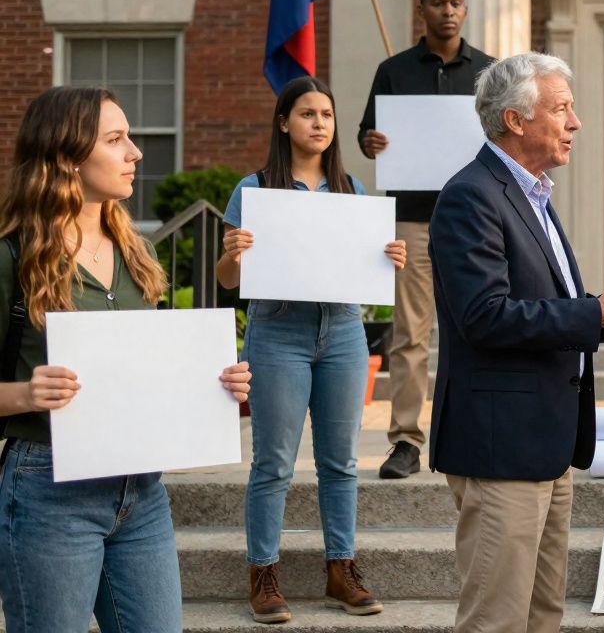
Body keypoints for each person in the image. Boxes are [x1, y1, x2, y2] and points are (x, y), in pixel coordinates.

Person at [430, 52, 604, 633]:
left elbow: (540, 303)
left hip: (546, 442)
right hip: (501, 448)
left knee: (542, 616)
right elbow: (485, 317)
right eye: (563, 109)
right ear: (516, 120)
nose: (576, 123)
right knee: (496, 620)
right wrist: (597, 312)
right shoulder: (472, 195)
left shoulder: (531, 192)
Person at [0, 86, 252, 632]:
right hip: (48, 490)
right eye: (116, 140)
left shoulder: (140, 252)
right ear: (66, 156)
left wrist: (214, 384)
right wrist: (23, 394)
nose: (136, 152)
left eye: (129, 137)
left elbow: (146, 374)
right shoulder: (11, 257)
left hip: (141, 493)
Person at [219, 76, 407, 624]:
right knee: (273, 461)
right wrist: (234, 252)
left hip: (343, 332)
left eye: (326, 114)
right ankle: (263, 573)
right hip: (277, 332)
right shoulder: (253, 189)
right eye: (307, 113)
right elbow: (228, 279)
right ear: (284, 122)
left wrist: (388, 256)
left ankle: (340, 569)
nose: (319, 123)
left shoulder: (353, 193)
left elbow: (366, 269)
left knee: (340, 461)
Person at [358, 0, 495, 480]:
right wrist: (372, 142)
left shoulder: (488, 71)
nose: (448, 10)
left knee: (484, 324)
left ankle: (480, 432)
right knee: (410, 333)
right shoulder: (394, 70)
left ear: (464, 7)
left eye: (456, 2)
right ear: (423, 8)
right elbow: (367, 136)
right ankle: (406, 442)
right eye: (438, 2)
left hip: (477, 219)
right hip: (412, 219)